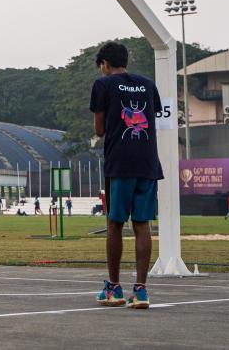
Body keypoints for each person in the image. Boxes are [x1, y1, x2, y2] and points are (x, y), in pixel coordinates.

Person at [90, 41, 161, 310]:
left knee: (115, 223)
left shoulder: (103, 84)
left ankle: (114, 287)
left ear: (105, 64)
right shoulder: (147, 84)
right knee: (142, 224)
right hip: (148, 161)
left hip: (120, 163)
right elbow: (152, 116)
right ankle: (141, 290)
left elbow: (99, 130)